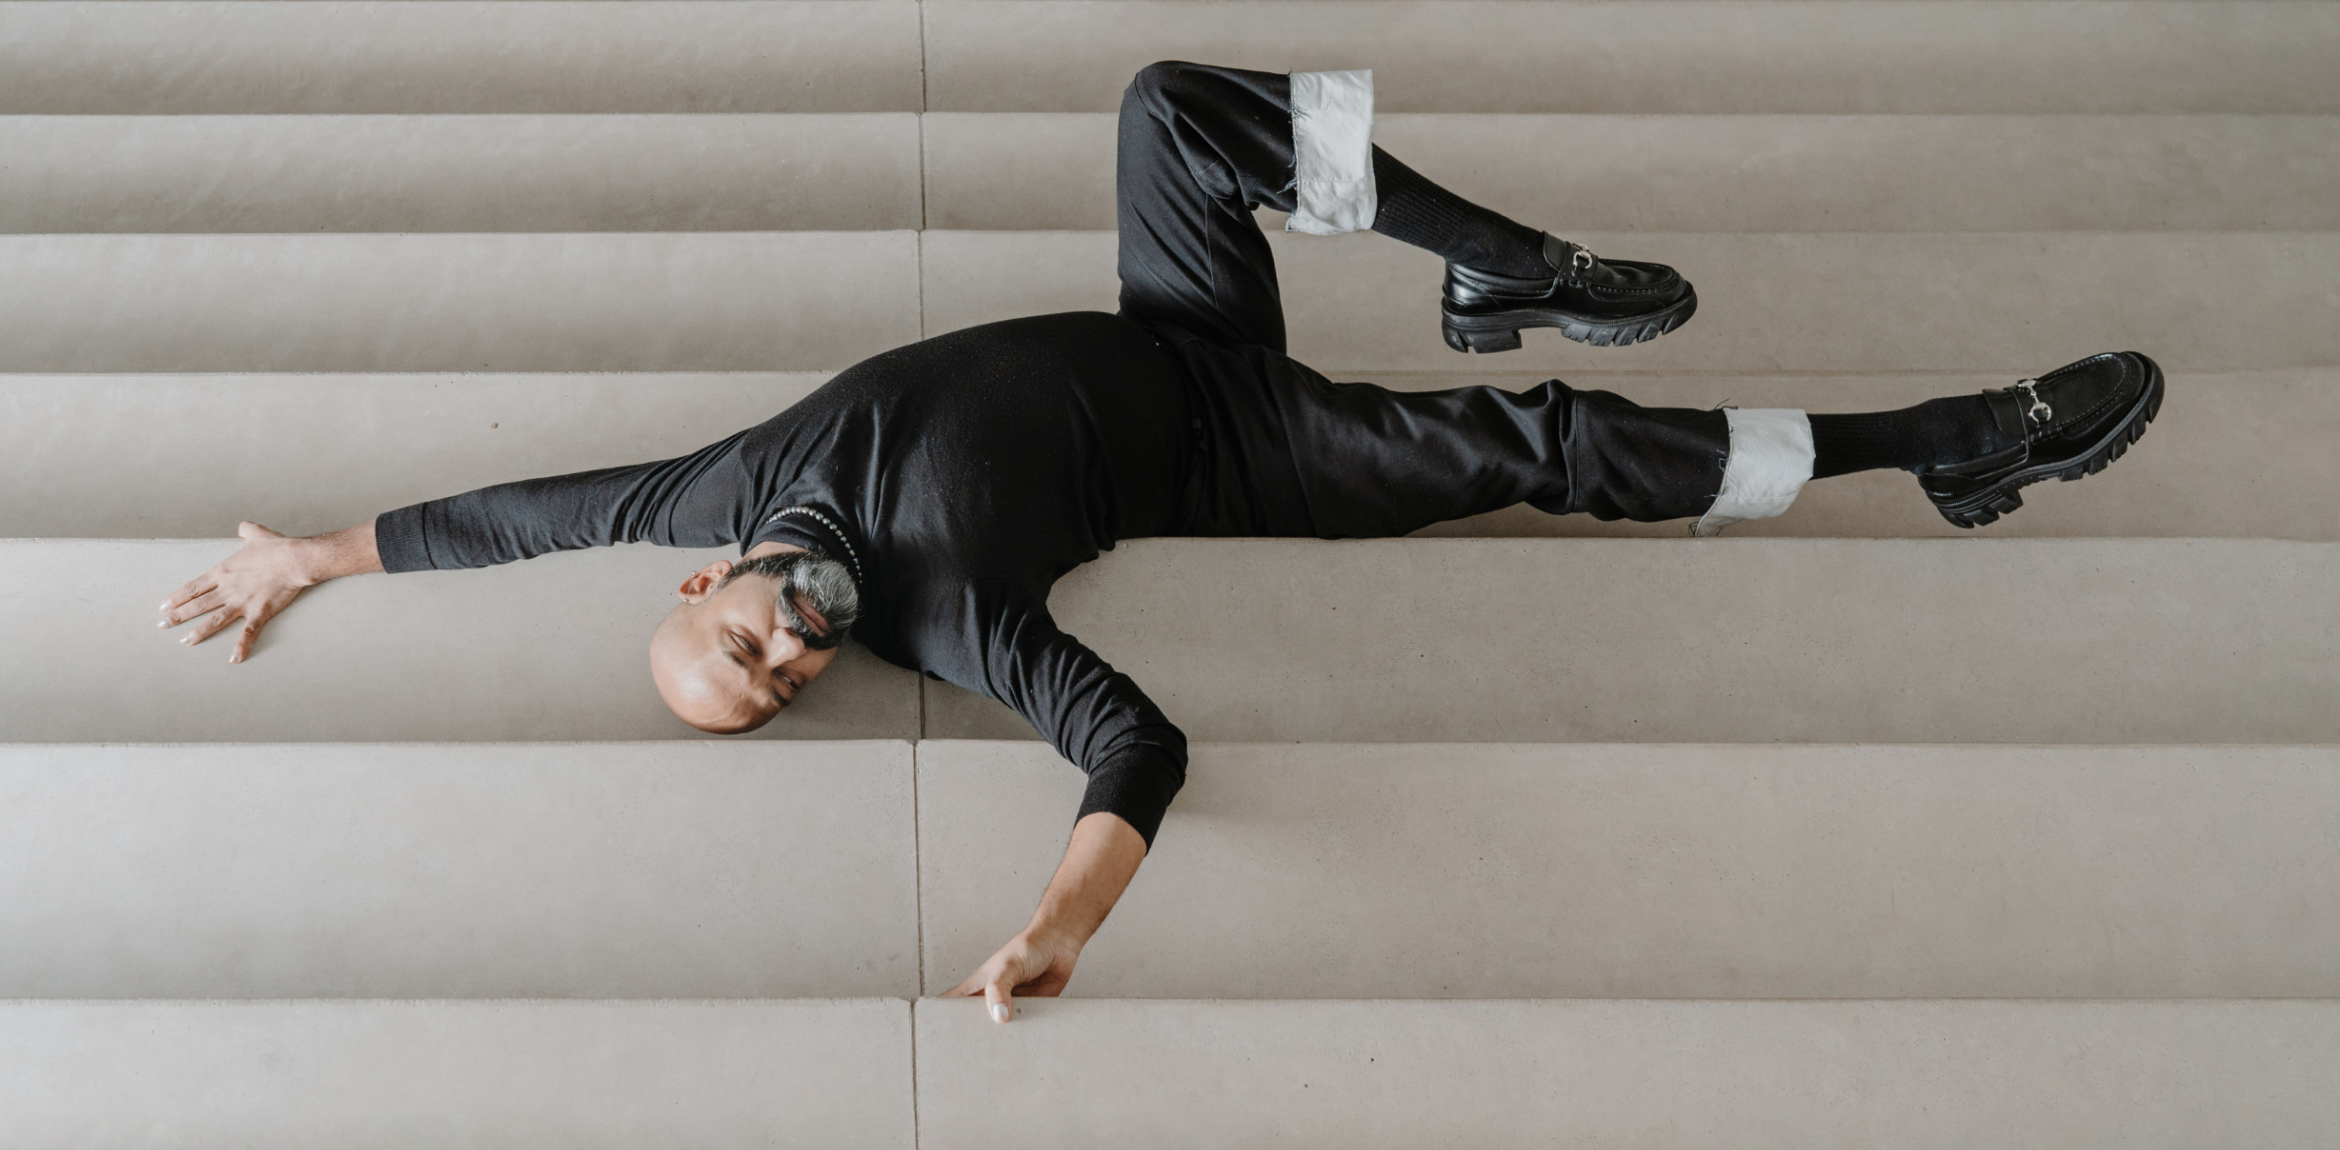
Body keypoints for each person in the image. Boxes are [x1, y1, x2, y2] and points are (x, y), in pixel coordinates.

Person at [156, 61, 2163, 1023]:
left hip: (1160, 334)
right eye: (775, 692)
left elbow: (511, 519)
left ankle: (1501, 265)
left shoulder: (707, 490)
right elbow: (1138, 747)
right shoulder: (947, 621)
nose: (774, 654)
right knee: (1565, 446)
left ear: (707, 577)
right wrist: (1058, 922)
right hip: (1255, 438)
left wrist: (307, 561)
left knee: (1170, 111)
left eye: (738, 640)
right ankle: (1956, 446)